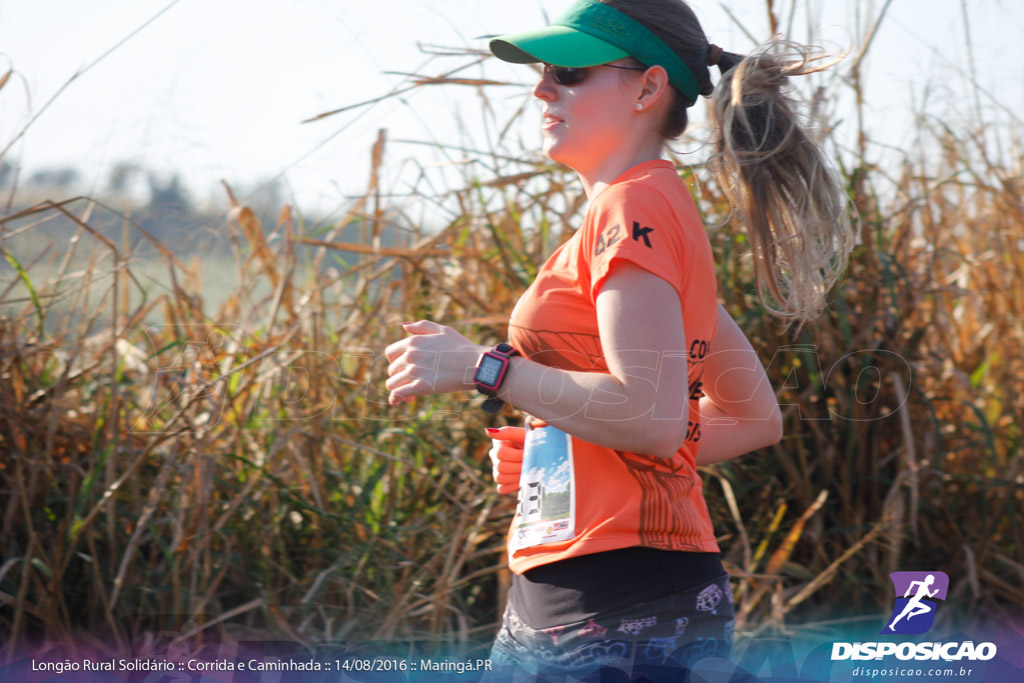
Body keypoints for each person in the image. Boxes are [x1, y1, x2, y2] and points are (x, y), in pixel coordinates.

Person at [384, 0, 852, 678]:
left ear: (648, 87)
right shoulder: (655, 211)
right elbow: (752, 418)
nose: (543, 87)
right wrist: (569, 448)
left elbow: (650, 415)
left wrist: (483, 368)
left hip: (613, 597)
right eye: (543, 71)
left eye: (570, 71)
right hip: (609, 587)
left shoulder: (630, 209)